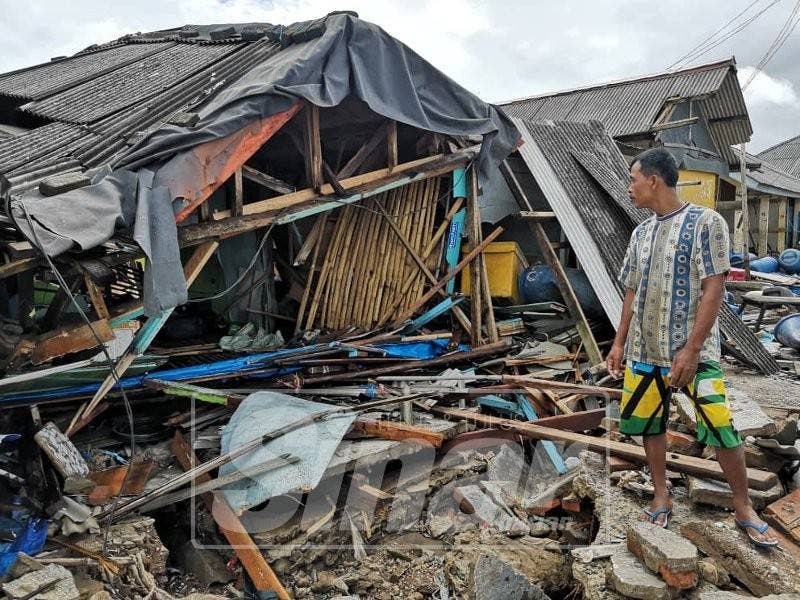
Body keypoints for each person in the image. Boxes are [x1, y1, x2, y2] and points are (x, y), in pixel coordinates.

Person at [606, 147, 777, 548]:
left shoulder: (706, 223)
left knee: (720, 426)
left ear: (653, 180)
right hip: (645, 352)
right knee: (649, 425)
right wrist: (619, 343)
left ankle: (743, 507)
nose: (629, 187)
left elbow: (714, 286)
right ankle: (662, 495)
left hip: (691, 353)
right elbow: (631, 291)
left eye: (633, 179)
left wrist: (692, 349)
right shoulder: (640, 232)